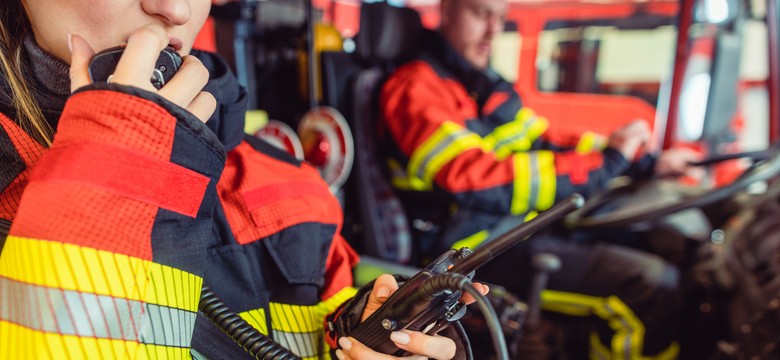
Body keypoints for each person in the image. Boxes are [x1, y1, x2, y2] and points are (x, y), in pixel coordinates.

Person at [0, 1, 487, 359]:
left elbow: (314, 323)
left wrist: (365, 332)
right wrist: (121, 179)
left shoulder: (289, 183)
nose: (176, 10)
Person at [378, 0, 702, 358]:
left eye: (500, 17)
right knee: (652, 288)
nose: (493, 31)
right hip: (472, 251)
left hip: (516, 228)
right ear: (448, 10)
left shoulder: (478, 84)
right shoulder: (415, 89)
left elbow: (543, 141)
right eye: (481, 13)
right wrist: (608, 163)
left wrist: (638, 161)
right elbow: (477, 179)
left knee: (665, 240)